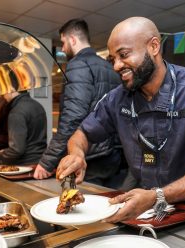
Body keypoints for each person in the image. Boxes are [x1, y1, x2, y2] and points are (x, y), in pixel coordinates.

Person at [56, 17, 185, 223]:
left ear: (153, 46)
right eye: (112, 59)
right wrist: (77, 154)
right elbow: (82, 134)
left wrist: (158, 196)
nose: (116, 66)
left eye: (124, 55)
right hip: (145, 209)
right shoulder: (118, 98)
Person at [34, 18, 123, 186]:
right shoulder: (109, 67)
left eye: (64, 42)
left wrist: (47, 162)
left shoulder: (78, 64)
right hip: (112, 154)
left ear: (72, 39)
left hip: (89, 155)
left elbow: (72, 118)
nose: (64, 48)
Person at [0, 88, 47, 165]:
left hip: (25, 165)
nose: (3, 95)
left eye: (4, 91)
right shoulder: (37, 105)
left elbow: (16, 150)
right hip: (40, 162)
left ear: (11, 89)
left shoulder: (16, 112)